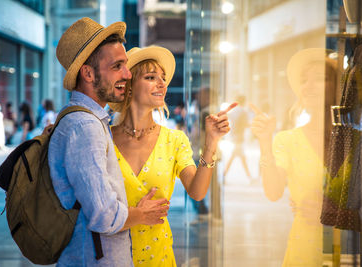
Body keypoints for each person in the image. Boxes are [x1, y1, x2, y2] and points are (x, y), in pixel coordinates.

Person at [50, 17, 169, 266]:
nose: (127, 74)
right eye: (117, 66)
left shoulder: (90, 121)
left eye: (125, 65)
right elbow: (104, 216)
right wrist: (142, 214)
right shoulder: (85, 126)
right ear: (88, 73)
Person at [109, 46, 236, 266]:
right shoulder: (105, 139)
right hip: (111, 257)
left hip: (158, 256)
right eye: (151, 77)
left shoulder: (174, 140)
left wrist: (211, 143)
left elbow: (197, 192)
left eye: (163, 78)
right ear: (129, 87)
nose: (161, 84)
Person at [250, 48, 337, 266]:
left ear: (336, 86)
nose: (308, 87)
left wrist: (340, 211)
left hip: (350, 246)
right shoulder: (288, 139)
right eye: (303, 80)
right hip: (305, 250)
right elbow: (273, 192)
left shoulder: (353, 138)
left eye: (319, 79)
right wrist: (264, 142)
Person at [223, 95, 253, 184]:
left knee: (238, 158)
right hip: (239, 138)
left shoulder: (234, 111)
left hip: (234, 136)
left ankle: (224, 176)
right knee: (239, 158)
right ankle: (249, 177)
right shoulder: (243, 112)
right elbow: (244, 124)